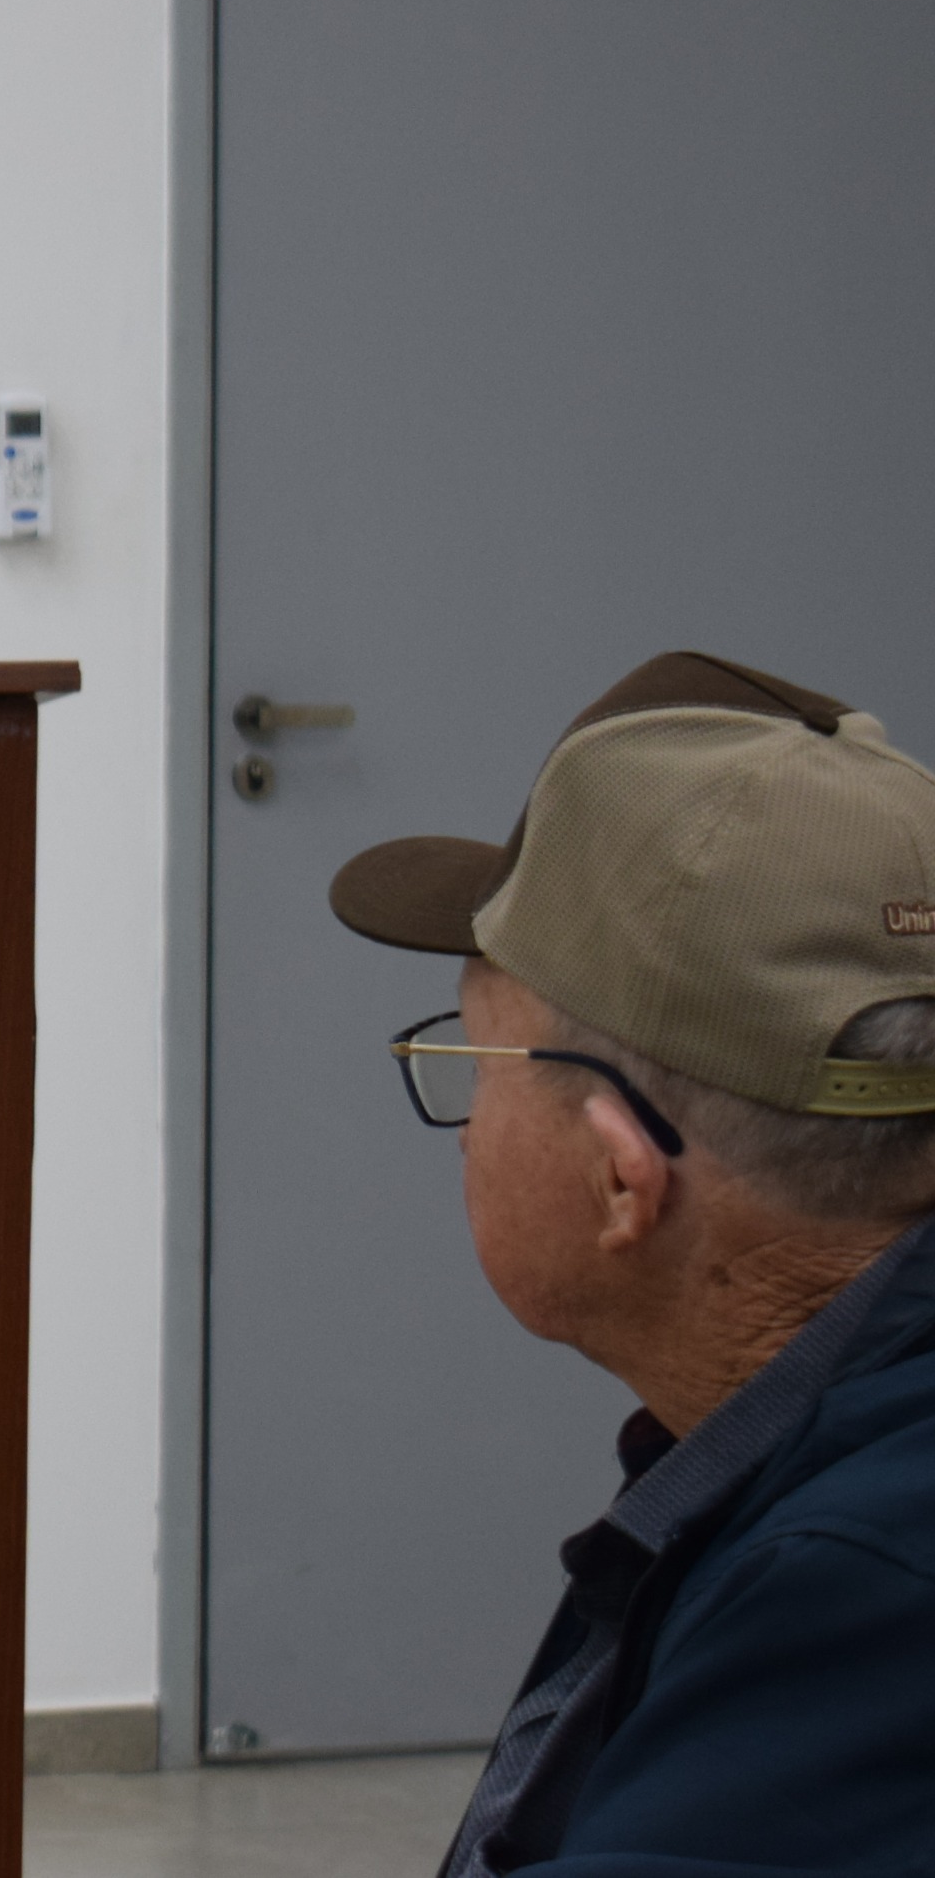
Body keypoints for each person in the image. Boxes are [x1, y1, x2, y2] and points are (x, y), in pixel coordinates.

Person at [334, 649, 935, 1873]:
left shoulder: (856, 1595)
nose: (467, 1126)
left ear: (619, 1175)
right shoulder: (796, 1444)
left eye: (474, 1063)